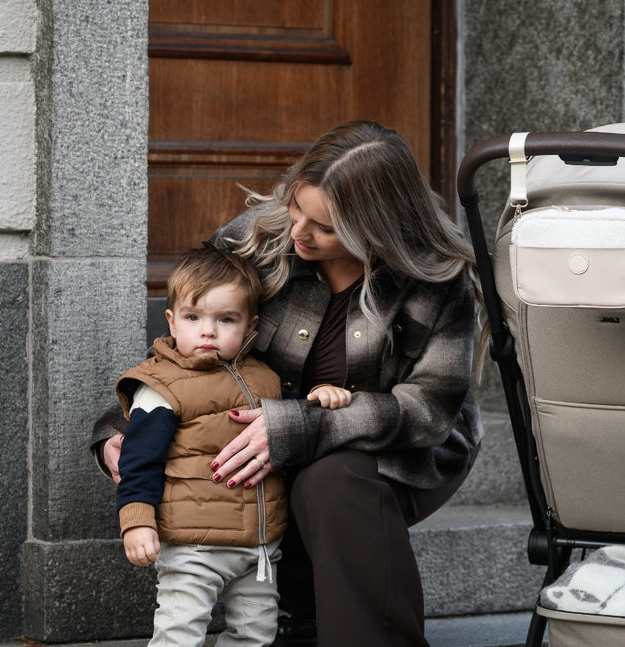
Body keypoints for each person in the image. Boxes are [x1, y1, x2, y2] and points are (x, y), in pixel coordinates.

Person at [92, 120, 484, 647]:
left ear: (378, 227)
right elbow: (185, 353)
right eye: (297, 206)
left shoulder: (436, 278)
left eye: (324, 227)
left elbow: (428, 410)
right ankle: (296, 618)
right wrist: (123, 428)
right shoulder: (257, 240)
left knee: (330, 479)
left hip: (400, 450)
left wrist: (298, 426)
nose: (298, 231)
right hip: (259, 445)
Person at [114, 246, 352, 647]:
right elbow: (139, 460)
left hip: (258, 545)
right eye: (193, 317)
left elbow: (288, 428)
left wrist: (320, 396)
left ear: (250, 326)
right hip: (193, 546)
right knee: (180, 630)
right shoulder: (160, 387)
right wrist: (136, 520)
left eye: (225, 319)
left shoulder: (266, 379)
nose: (208, 331)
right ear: (171, 322)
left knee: (256, 634)